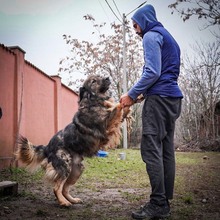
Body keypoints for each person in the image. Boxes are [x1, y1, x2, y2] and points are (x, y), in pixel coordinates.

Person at [120, 4, 183, 219]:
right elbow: (166, 73)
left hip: (159, 101)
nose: (135, 28)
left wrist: (130, 94)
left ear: (144, 20)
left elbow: (153, 71)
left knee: (150, 148)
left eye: (135, 24)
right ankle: (164, 200)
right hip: (172, 99)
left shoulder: (150, 36)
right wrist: (143, 94)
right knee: (166, 149)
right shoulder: (169, 38)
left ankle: (158, 203)